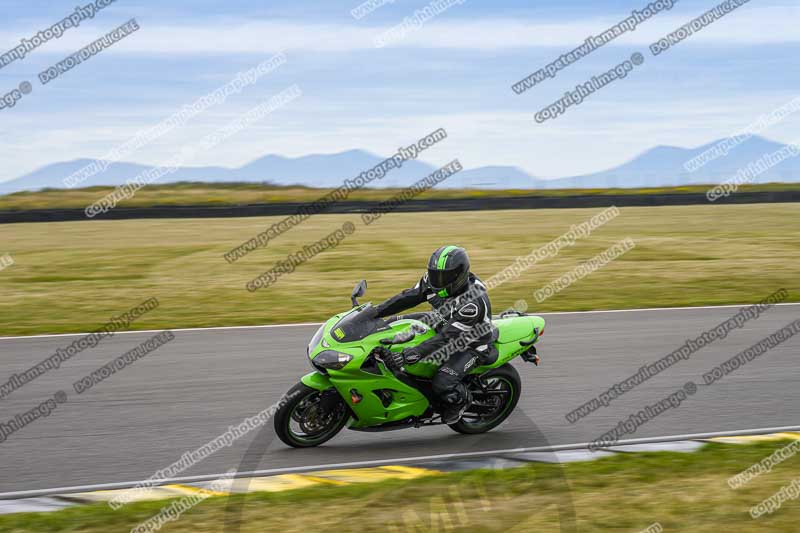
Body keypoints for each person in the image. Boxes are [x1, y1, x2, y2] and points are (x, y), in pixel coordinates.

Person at [371, 245, 497, 424]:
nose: (437, 281)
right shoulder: (432, 282)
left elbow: (447, 338)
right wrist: (375, 312)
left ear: (458, 276)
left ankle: (461, 401)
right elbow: (408, 297)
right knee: (393, 324)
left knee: (442, 382)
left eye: (443, 277)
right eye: (434, 274)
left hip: (471, 345)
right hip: (441, 321)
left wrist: (411, 354)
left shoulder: (472, 303)